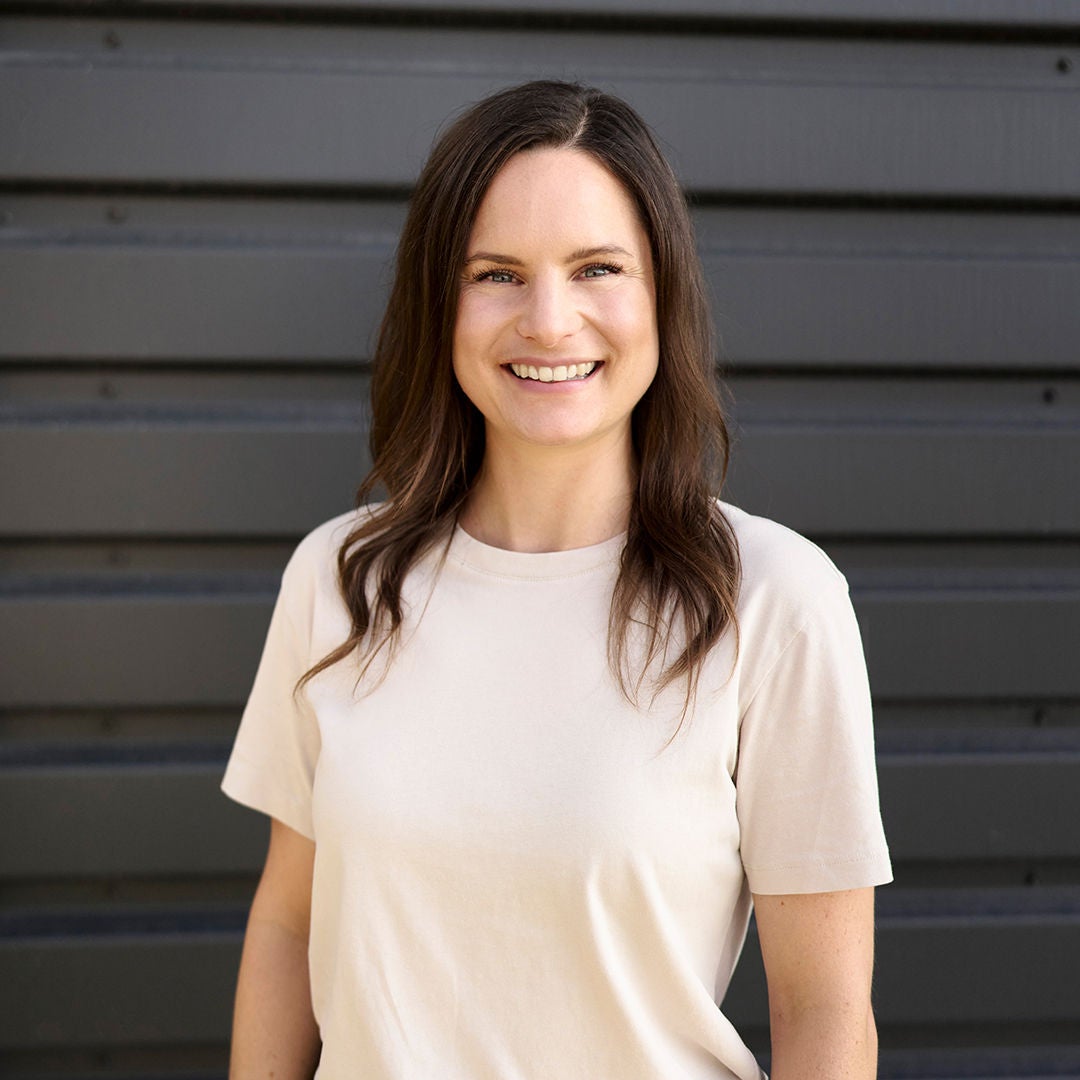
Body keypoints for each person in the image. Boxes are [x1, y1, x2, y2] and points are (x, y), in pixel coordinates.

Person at [222, 80, 892, 1079]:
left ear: (662, 294)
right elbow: (286, 924)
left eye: (596, 269)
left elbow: (824, 1007)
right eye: (496, 273)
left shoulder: (775, 602)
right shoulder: (341, 579)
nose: (549, 319)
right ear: (436, 302)